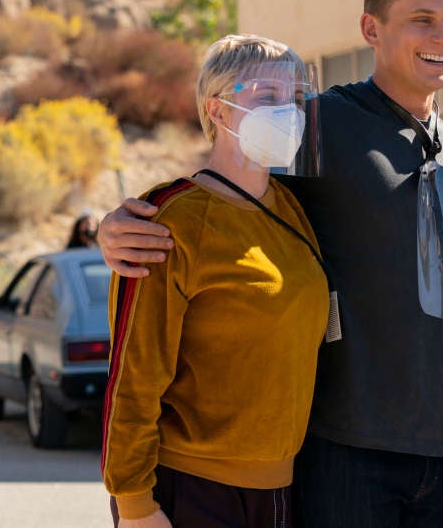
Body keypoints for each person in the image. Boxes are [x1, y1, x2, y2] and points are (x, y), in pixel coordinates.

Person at [97, 0, 443, 527]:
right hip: (344, 448)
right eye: (422, 19)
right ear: (371, 30)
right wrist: (118, 224)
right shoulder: (319, 122)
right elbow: (226, 177)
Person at [101, 34, 329, 528]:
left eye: (293, 99)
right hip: (192, 488)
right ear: (218, 110)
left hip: (281, 488)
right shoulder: (170, 222)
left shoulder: (293, 207)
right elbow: (133, 377)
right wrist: (136, 506)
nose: (286, 112)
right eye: (267, 98)